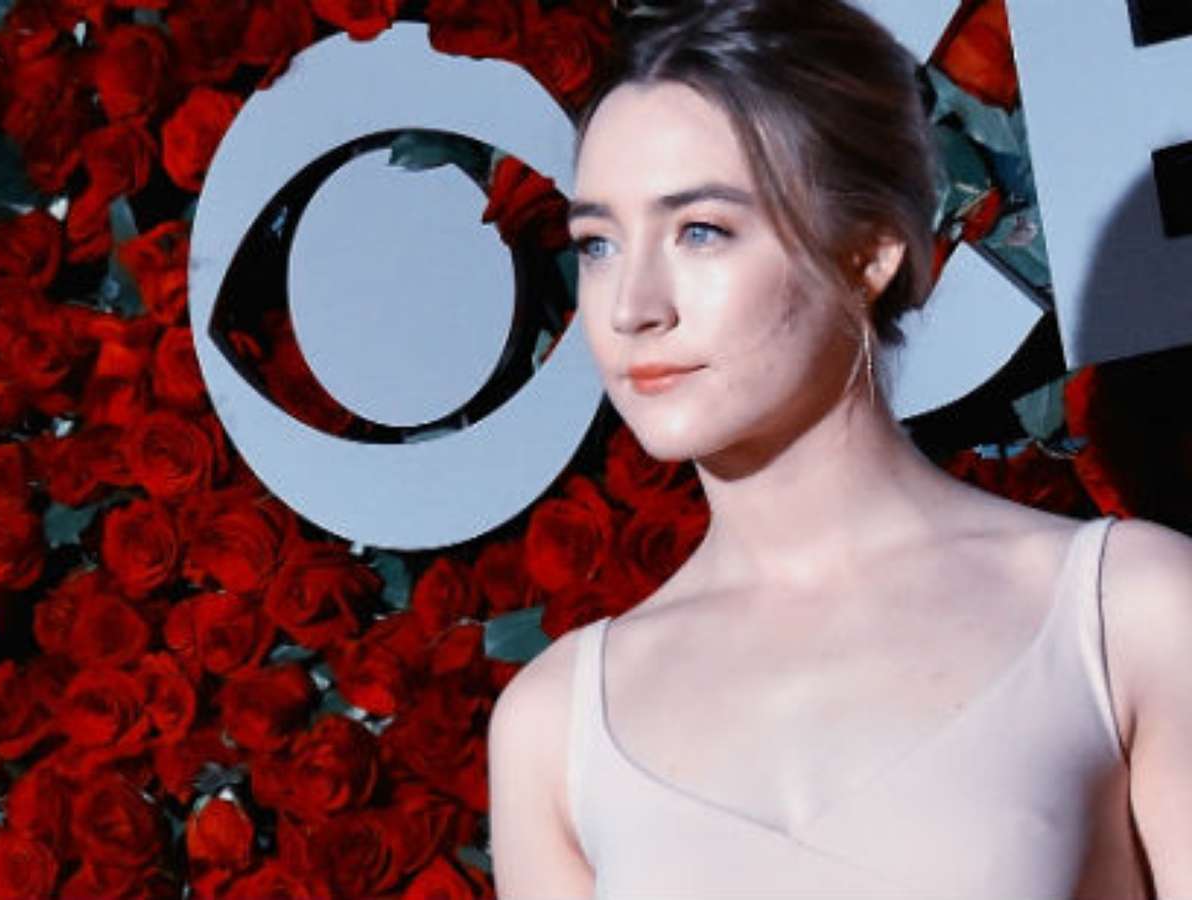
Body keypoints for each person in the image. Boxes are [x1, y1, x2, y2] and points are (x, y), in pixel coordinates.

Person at [487, 1, 1192, 896]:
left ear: (869, 252)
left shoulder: (1129, 613)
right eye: (598, 244)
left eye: (701, 230)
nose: (633, 307)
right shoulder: (556, 726)